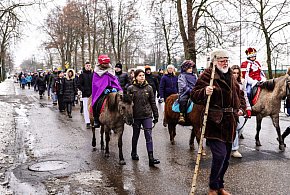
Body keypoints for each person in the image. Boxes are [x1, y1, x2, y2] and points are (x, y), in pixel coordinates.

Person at [191, 49, 246, 195]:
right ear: (214, 61)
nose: (225, 62)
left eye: (227, 59)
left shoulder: (231, 76)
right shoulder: (208, 75)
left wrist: (240, 108)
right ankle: (213, 187)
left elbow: (239, 94)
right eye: (222, 60)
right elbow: (194, 95)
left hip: (230, 122)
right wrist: (204, 91)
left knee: (226, 158)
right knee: (220, 155)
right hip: (214, 122)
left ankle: (220, 186)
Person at [127, 69, 160, 167]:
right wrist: (129, 117)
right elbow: (128, 104)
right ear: (136, 77)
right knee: (135, 135)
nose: (142, 77)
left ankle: (151, 158)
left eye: (143, 75)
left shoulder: (149, 88)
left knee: (148, 136)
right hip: (136, 116)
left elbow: (153, 102)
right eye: (140, 75)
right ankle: (134, 152)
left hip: (147, 115)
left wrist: (156, 115)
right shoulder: (131, 88)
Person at [91, 54, 122, 127]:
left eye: (107, 63)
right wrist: (103, 90)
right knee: (96, 102)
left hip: (112, 90)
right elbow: (96, 84)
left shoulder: (111, 70)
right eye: (104, 63)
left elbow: (114, 81)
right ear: (100, 63)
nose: (106, 65)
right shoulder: (96, 72)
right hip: (101, 92)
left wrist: (115, 88)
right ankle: (96, 119)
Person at [231, 65, 251, 158]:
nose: (235, 75)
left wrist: (247, 108)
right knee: (234, 128)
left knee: (239, 128)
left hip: (239, 108)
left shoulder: (241, 83)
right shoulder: (228, 82)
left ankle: (233, 146)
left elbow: (245, 96)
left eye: (237, 73)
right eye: (234, 73)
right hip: (230, 109)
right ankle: (234, 149)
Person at [79, 62, 93, 129]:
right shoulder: (82, 75)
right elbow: (79, 84)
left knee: (93, 108)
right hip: (85, 95)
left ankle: (93, 121)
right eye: (87, 65)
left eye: (89, 65)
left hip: (93, 94)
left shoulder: (93, 74)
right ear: (85, 66)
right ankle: (87, 122)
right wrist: (84, 90)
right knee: (86, 108)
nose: (88, 67)